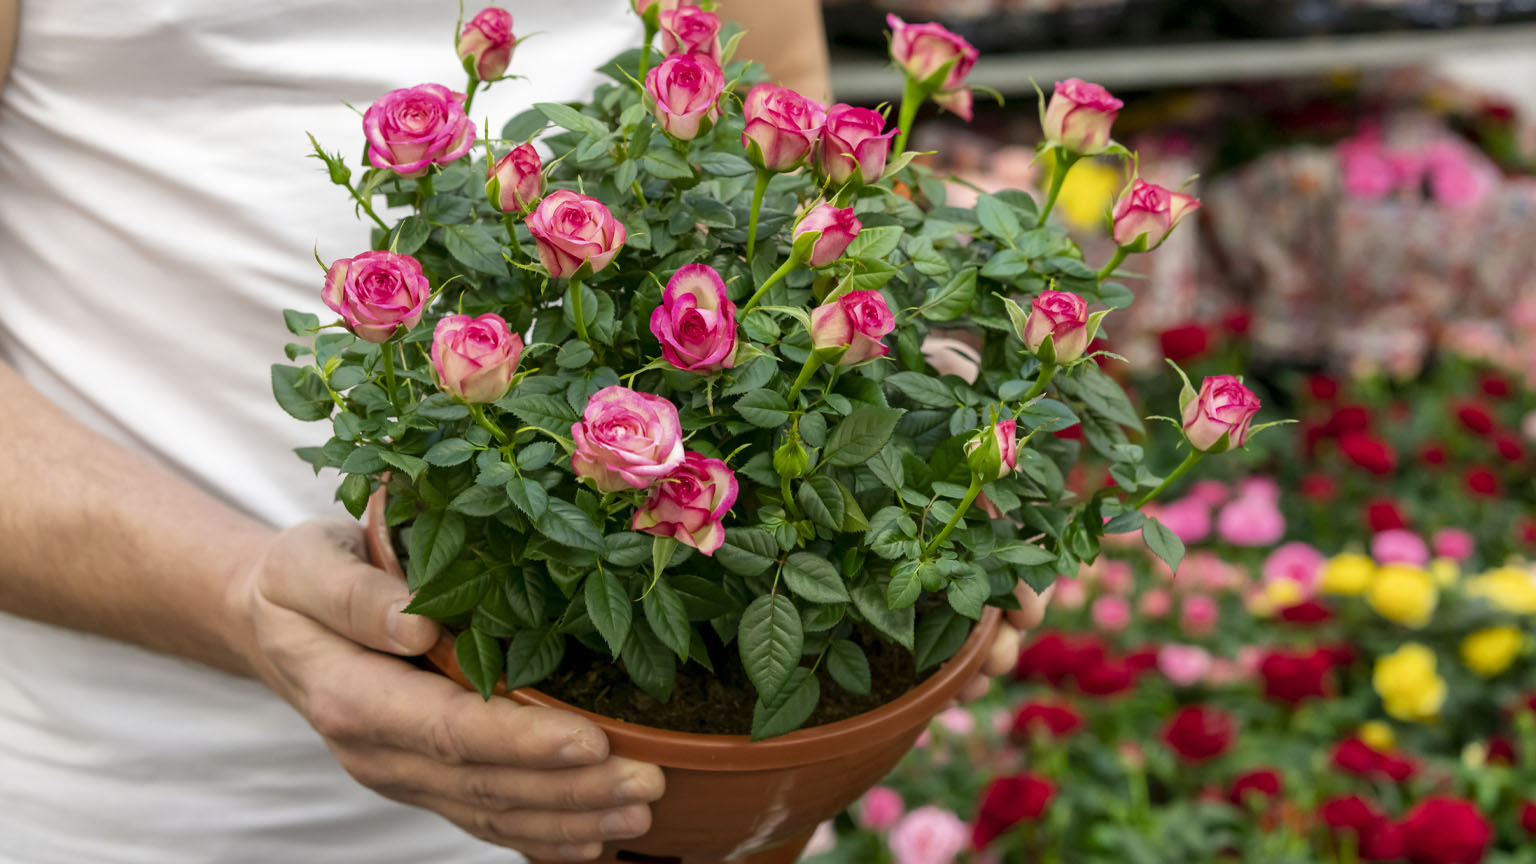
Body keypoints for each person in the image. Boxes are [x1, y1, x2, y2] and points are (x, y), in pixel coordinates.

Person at [0, 2, 1039, 862]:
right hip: (150, 786)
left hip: (677, 803)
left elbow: (782, 99)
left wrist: (926, 401)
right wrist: (239, 601)